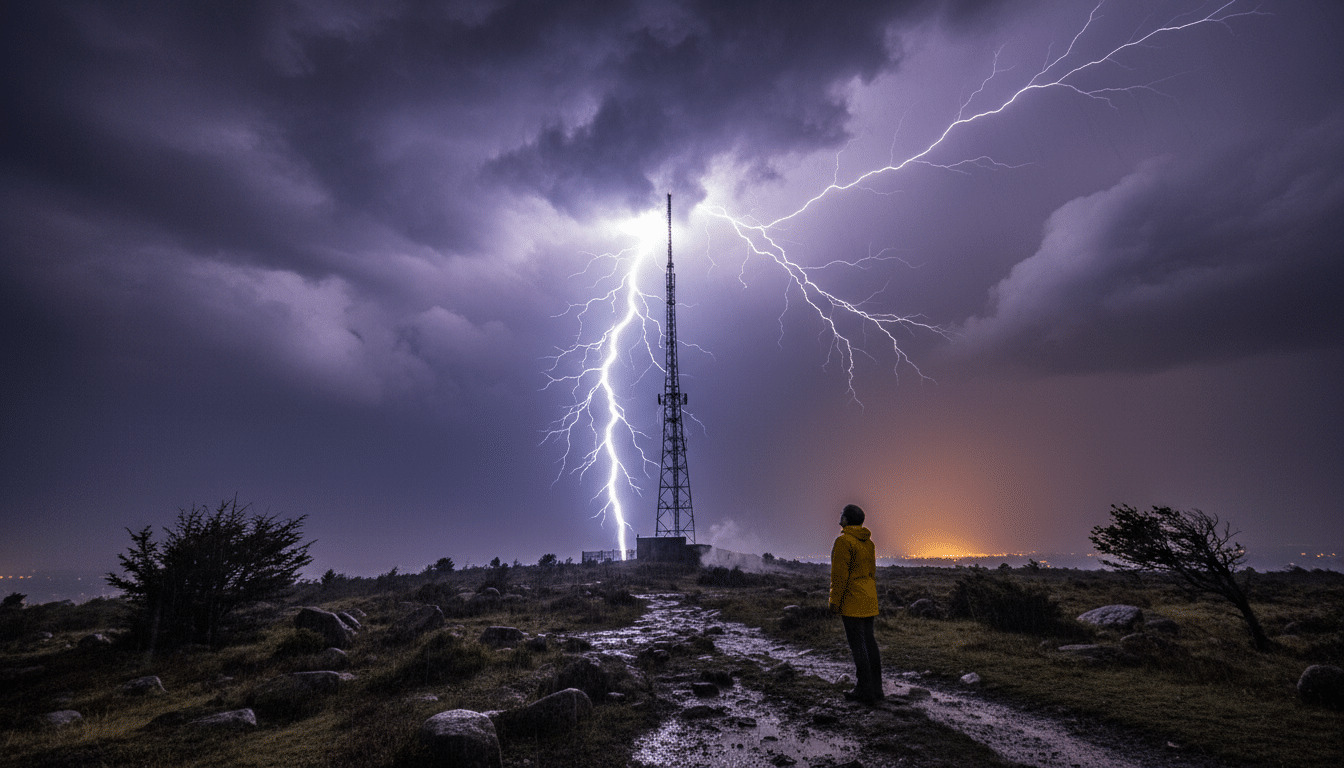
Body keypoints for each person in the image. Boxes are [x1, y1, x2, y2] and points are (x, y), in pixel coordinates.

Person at [829, 503, 883, 703]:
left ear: (846, 519)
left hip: (852, 599)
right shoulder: (868, 543)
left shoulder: (844, 541)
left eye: (841, 514)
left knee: (858, 645)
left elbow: (840, 576)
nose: (839, 517)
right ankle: (877, 689)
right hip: (869, 597)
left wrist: (835, 602)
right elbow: (872, 571)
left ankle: (863, 690)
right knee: (870, 643)